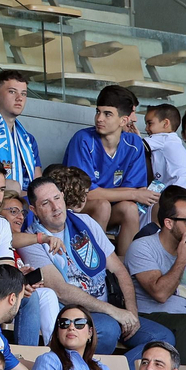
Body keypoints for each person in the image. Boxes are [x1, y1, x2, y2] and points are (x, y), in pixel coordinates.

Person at [17, 176, 177, 360]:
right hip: (73, 314)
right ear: (34, 210)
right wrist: (113, 311)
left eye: (57, 198)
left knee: (163, 339)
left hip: (109, 307)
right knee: (108, 328)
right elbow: (60, 290)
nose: (55, 207)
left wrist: (131, 311)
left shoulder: (86, 222)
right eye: (46, 203)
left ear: (62, 196)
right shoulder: (31, 240)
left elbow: (118, 269)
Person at [127, 185, 186, 365]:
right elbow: (159, 294)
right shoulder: (143, 247)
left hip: (182, 322)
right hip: (148, 317)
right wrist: (182, 259)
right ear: (169, 223)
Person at [65, 84, 155, 257]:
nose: (99, 118)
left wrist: (133, 194)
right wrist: (133, 194)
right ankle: (96, 263)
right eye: (98, 112)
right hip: (77, 208)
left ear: (124, 120)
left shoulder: (134, 143)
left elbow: (135, 190)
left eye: (108, 114)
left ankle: (127, 268)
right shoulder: (83, 139)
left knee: (129, 209)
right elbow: (86, 195)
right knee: (102, 205)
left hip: (112, 209)